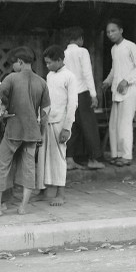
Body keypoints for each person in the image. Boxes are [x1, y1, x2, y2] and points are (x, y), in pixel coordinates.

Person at [0, 47, 50, 217]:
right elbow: (45, 112)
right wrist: (41, 132)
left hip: (13, 129)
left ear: (20, 62)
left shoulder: (12, 78)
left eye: (14, 62)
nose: (13, 65)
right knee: (29, 168)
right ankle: (23, 207)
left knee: (1, 166)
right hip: (32, 132)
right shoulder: (42, 82)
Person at [36, 45, 78, 207]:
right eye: (46, 63)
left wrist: (67, 127)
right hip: (47, 120)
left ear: (60, 60)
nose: (47, 66)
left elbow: (72, 103)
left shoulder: (70, 77)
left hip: (61, 122)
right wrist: (41, 119)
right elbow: (46, 100)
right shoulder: (50, 76)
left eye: (49, 63)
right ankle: (42, 189)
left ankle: (61, 193)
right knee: (43, 157)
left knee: (59, 157)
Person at [103, 19, 136, 167]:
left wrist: (126, 80)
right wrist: (108, 81)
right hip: (117, 91)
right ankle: (117, 154)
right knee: (114, 124)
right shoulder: (114, 49)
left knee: (125, 124)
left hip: (129, 90)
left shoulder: (130, 46)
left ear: (121, 30)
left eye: (113, 30)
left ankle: (126, 156)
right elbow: (115, 69)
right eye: (108, 32)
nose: (110, 34)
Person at [63, 27, 103, 171]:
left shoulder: (64, 54)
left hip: (70, 94)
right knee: (89, 126)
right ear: (80, 39)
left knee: (73, 126)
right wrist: (93, 94)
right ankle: (93, 158)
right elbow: (87, 73)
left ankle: (69, 158)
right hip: (83, 92)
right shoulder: (82, 51)